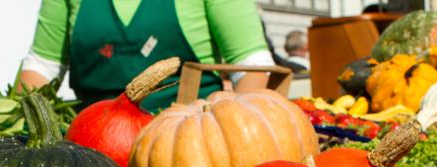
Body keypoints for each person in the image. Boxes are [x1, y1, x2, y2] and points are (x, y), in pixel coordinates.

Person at [18, 0, 274, 112]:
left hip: (185, 144)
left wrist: (231, 138)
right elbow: (41, 68)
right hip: (90, 148)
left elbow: (251, 65)